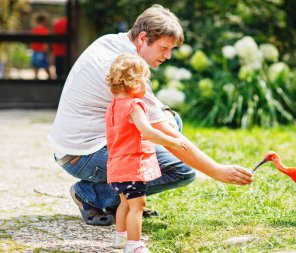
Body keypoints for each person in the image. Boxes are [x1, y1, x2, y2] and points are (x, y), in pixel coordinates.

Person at [48, 4, 253, 227]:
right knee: (181, 170)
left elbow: (160, 118)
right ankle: (91, 194)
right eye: (163, 48)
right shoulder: (122, 67)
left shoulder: (115, 45)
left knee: (172, 119)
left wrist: (165, 116)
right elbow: (164, 134)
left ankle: (123, 198)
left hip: (75, 148)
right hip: (84, 156)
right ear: (143, 38)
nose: (168, 56)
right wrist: (217, 170)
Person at [106, 53, 188, 252]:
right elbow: (149, 132)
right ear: (134, 82)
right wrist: (174, 141)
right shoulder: (134, 106)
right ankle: (134, 245)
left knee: (124, 203)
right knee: (138, 206)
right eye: (146, 80)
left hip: (117, 166)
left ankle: (120, 237)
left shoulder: (114, 106)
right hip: (132, 165)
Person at [31, 14, 51, 79]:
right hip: (42, 51)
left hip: (35, 51)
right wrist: (47, 52)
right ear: (44, 21)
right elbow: (45, 43)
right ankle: (51, 79)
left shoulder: (34, 30)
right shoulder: (44, 30)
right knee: (46, 66)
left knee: (36, 67)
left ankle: (36, 80)